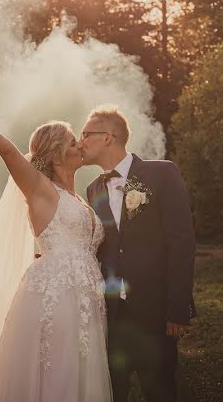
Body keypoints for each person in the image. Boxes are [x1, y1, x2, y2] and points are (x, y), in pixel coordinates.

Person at [0, 93, 112, 402]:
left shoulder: (79, 198)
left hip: (86, 301)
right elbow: (6, 149)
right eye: (73, 143)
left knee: (81, 371)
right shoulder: (41, 189)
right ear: (57, 154)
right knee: (56, 371)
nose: (80, 146)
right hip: (56, 297)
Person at [79, 105, 196, 402]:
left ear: (108, 137)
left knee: (160, 392)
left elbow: (181, 241)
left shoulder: (162, 173)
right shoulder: (93, 189)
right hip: (110, 316)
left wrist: (178, 307)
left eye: (85, 134)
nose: (80, 141)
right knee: (111, 393)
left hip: (155, 313)